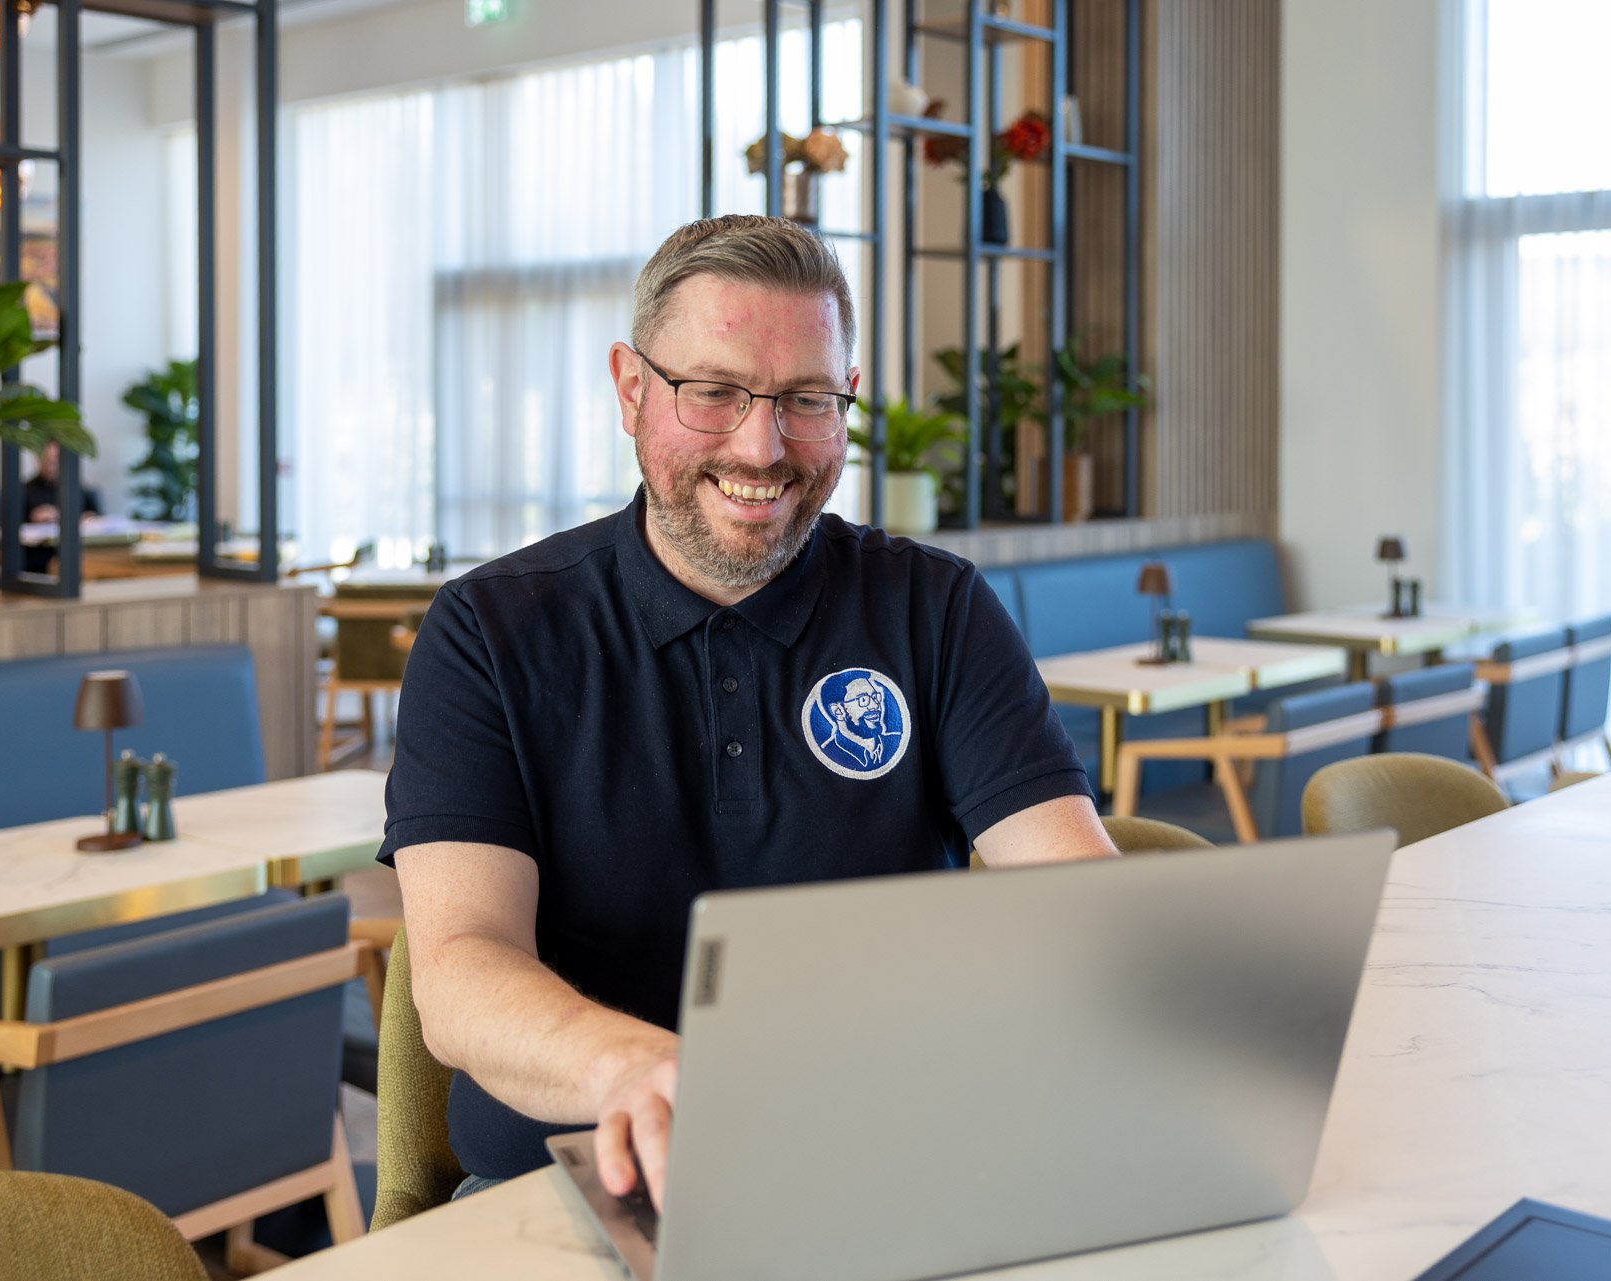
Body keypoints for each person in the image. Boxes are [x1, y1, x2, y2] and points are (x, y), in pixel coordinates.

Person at [381, 215, 1115, 1213]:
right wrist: (644, 1074)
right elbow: (461, 974)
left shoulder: (932, 609)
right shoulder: (489, 631)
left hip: (886, 1162)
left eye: (807, 400)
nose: (762, 448)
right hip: (575, 1184)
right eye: (715, 391)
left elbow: (1080, 898)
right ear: (632, 390)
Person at [21, 441, 101, 573]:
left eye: (55, 460)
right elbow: (12, 526)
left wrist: (87, 518)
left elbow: (96, 516)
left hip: (77, 550)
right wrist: (32, 518)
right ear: (37, 459)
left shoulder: (78, 487)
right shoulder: (24, 490)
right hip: (40, 555)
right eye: (47, 460)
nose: (52, 466)